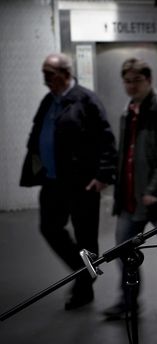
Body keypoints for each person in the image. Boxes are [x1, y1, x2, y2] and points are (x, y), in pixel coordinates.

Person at [19, 53, 117, 311]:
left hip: (82, 182)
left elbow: (106, 140)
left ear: (65, 73)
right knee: (49, 228)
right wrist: (36, 166)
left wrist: (103, 175)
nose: (45, 80)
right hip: (53, 181)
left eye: (48, 75)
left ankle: (84, 289)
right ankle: (84, 271)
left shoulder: (86, 100)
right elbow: (37, 134)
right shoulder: (48, 101)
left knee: (86, 237)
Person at [103, 58, 157, 320]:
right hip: (130, 197)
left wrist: (154, 189)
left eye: (136, 80)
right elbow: (125, 155)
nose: (131, 86)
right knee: (123, 251)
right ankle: (129, 302)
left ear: (149, 80)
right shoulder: (127, 113)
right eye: (127, 81)